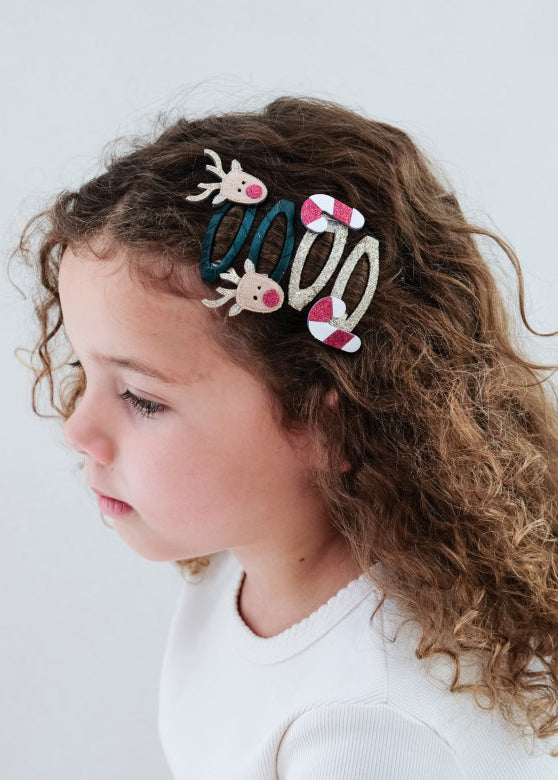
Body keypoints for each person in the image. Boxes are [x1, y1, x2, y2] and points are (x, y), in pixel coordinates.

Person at [15, 96, 558, 778]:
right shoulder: (240, 556)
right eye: (80, 368)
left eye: (141, 399)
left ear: (329, 419)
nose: (76, 430)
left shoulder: (368, 733)